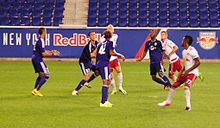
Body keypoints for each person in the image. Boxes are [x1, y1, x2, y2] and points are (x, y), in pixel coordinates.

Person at [158, 35, 200, 111]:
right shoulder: (184, 51)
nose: (181, 41)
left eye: (183, 40)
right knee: (173, 86)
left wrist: (188, 71)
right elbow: (186, 63)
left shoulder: (192, 50)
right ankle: (168, 102)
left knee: (186, 87)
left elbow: (198, 62)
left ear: (186, 42)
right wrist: (181, 71)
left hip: (192, 73)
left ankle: (188, 105)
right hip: (185, 72)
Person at [97, 30, 125, 107]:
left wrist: (97, 64)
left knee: (107, 80)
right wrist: (120, 56)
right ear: (111, 36)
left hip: (99, 63)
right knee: (106, 81)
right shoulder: (110, 43)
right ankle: (103, 102)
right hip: (105, 64)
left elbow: (96, 54)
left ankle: (105, 100)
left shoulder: (100, 44)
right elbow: (111, 53)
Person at [31, 27, 60, 97]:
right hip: (38, 59)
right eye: (46, 32)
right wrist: (53, 54)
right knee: (47, 75)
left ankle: (35, 90)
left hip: (34, 58)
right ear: (43, 32)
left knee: (41, 75)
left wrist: (51, 51)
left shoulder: (39, 40)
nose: (46, 33)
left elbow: (42, 51)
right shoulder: (41, 40)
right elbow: (43, 53)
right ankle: (37, 90)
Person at [72, 31, 99, 95]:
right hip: (84, 61)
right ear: (89, 37)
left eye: (94, 35)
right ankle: (75, 91)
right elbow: (92, 55)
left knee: (98, 72)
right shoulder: (89, 45)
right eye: (92, 35)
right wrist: (97, 49)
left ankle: (86, 82)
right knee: (87, 76)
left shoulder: (96, 43)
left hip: (89, 61)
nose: (93, 36)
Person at [105, 24, 127, 95]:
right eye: (109, 28)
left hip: (114, 58)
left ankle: (120, 87)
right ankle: (114, 89)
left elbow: (112, 46)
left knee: (119, 70)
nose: (111, 29)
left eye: (111, 28)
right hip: (108, 59)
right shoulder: (103, 38)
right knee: (110, 75)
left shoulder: (115, 36)